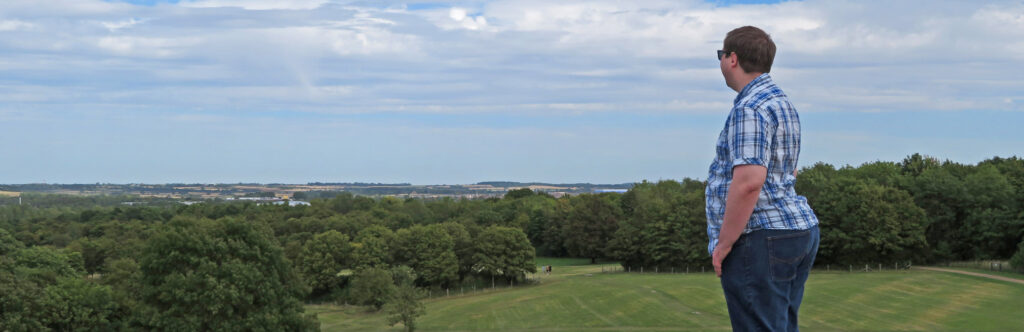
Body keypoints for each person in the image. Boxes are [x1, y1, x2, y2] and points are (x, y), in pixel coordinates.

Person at [705, 26, 820, 332]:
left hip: (760, 237)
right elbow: (789, 171)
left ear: (732, 59)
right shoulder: (782, 102)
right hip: (796, 231)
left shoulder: (750, 109)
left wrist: (724, 244)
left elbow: (749, 182)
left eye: (721, 54)